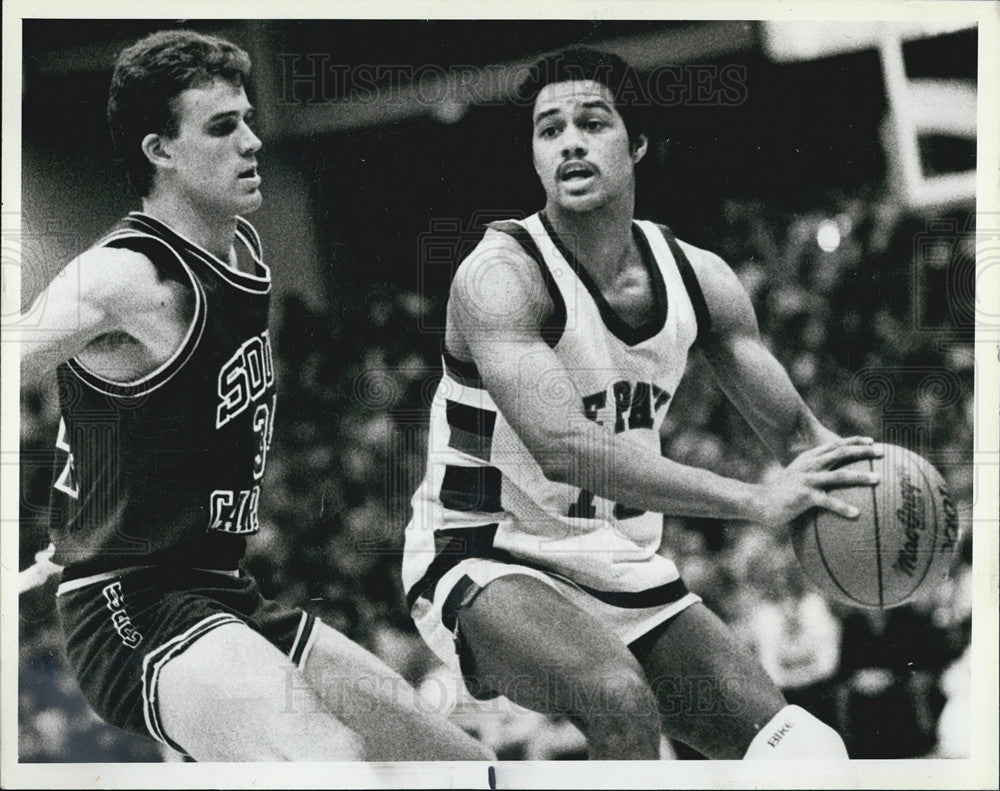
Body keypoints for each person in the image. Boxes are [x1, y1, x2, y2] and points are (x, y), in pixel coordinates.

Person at [16, 29, 493, 766]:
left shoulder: (241, 254)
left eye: (247, 119)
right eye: (221, 127)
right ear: (159, 151)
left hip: (225, 591)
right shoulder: (122, 276)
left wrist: (93, 502)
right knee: (328, 760)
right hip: (130, 606)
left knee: (463, 765)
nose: (251, 142)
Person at [402, 47, 882, 760]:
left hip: (618, 563)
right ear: (534, 158)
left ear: (637, 143)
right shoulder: (499, 276)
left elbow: (798, 436)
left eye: (592, 122)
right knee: (621, 702)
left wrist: (880, 510)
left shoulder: (700, 279)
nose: (569, 141)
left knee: (801, 750)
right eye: (549, 129)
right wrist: (754, 500)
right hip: (480, 552)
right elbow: (567, 447)